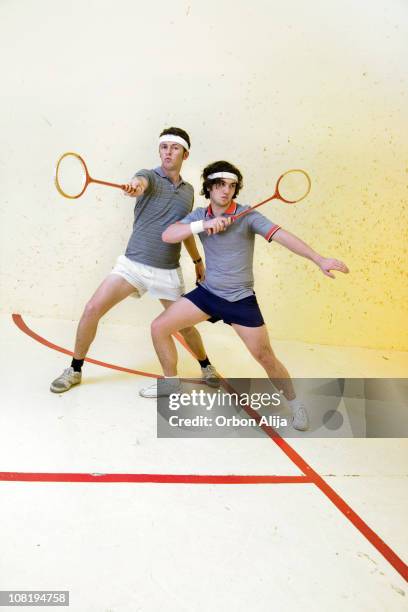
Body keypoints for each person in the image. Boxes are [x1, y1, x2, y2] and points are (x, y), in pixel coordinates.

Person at [147, 160, 349, 430]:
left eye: (231, 186)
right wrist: (203, 226)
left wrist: (318, 258)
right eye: (220, 184)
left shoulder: (248, 216)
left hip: (240, 299)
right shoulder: (199, 215)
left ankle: (295, 402)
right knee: (159, 327)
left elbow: (283, 236)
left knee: (265, 356)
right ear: (209, 186)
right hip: (208, 293)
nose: (226, 190)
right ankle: (171, 382)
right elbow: (168, 235)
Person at [50, 128, 219, 396]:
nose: (167, 152)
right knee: (92, 308)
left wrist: (198, 260)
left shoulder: (188, 193)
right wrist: (134, 186)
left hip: (167, 271)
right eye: (163, 147)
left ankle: (206, 365)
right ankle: (75, 369)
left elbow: (183, 230)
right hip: (133, 266)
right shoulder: (149, 176)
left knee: (185, 325)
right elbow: (140, 182)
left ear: (185, 154)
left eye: (174, 148)